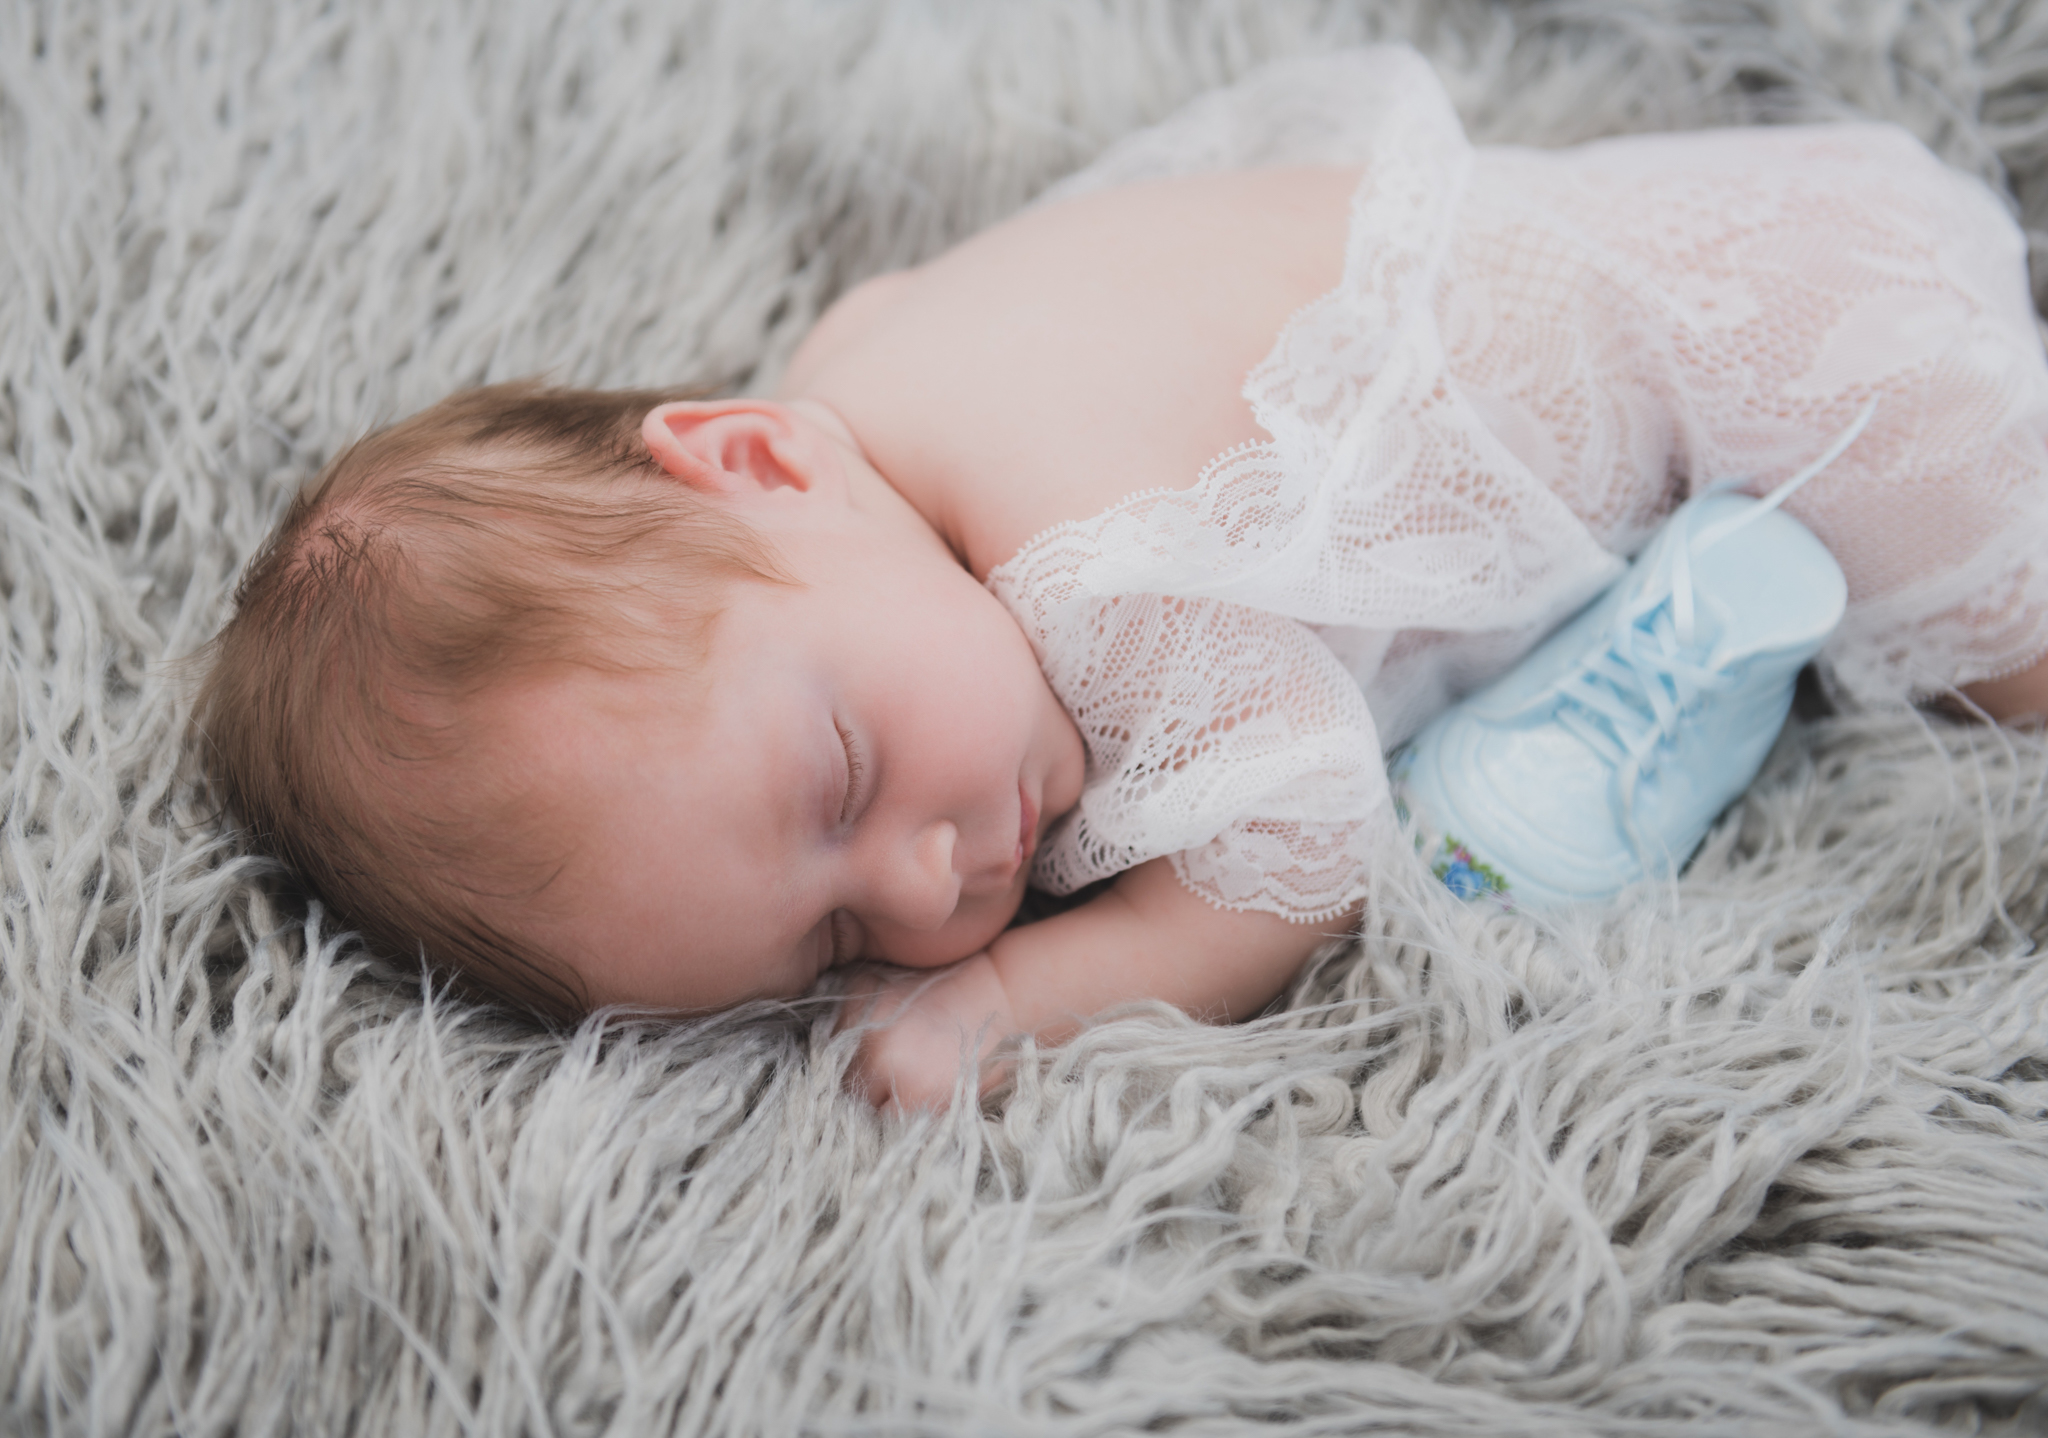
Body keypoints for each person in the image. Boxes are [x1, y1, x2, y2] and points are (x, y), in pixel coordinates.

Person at [196, 48, 2048, 1110]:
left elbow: (1306, 840)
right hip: (1734, 220)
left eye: (841, 778)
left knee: (2009, 676)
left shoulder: (1090, 573)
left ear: (755, 458)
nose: (936, 879)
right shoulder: (859, 380)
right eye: (843, 938)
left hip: (1829, 358)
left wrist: (1011, 1005)